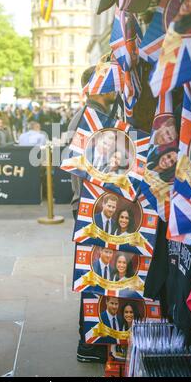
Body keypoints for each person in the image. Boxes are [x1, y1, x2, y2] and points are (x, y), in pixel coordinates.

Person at [68, 63, 117, 364]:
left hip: (94, 204)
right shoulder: (88, 118)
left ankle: (94, 338)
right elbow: (96, 166)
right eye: (111, 83)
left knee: (99, 274)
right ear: (98, 87)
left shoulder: (97, 115)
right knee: (94, 275)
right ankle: (88, 343)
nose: (116, 88)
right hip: (89, 206)